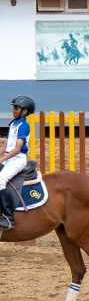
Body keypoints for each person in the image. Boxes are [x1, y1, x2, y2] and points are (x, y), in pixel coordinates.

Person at [0, 95, 34, 233]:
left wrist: (1, 160)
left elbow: (17, 149)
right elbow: (5, 146)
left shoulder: (24, 126)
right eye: (14, 108)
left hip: (18, 159)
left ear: (24, 111)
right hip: (9, 157)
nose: (13, 110)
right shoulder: (13, 124)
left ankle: (8, 217)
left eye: (16, 108)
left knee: (0, 180)